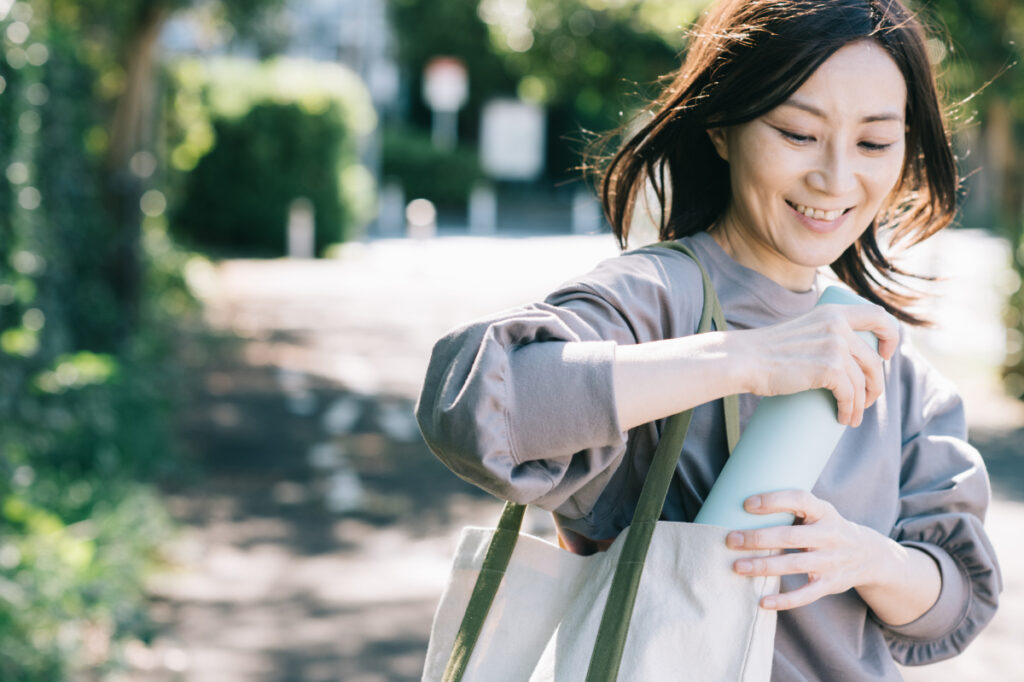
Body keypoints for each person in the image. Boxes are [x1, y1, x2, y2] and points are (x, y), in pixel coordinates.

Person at [415, 0, 1002, 678]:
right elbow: (476, 406)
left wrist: (870, 559)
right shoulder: (657, 299)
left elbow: (958, 600)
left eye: (873, 143)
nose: (837, 178)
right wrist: (743, 359)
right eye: (798, 133)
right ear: (723, 127)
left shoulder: (892, 362)